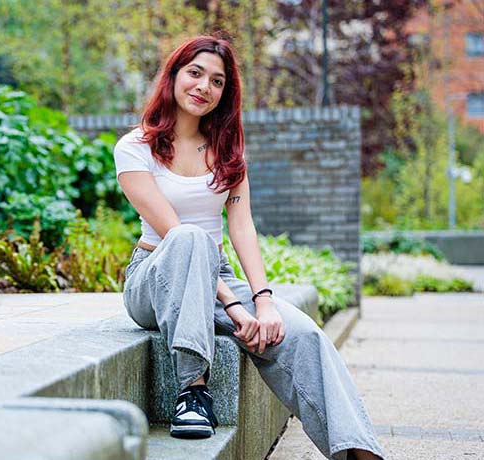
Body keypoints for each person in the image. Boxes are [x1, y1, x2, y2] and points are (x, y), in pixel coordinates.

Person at [113, 35, 385, 460]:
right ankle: (193, 392)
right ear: (174, 77)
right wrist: (237, 309)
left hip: (216, 275)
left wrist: (264, 302)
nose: (204, 87)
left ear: (225, 94)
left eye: (217, 81)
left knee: (303, 335)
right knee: (188, 237)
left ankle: (359, 452)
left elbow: (242, 227)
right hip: (154, 275)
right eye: (195, 73)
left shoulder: (228, 151)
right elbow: (174, 231)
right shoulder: (135, 148)